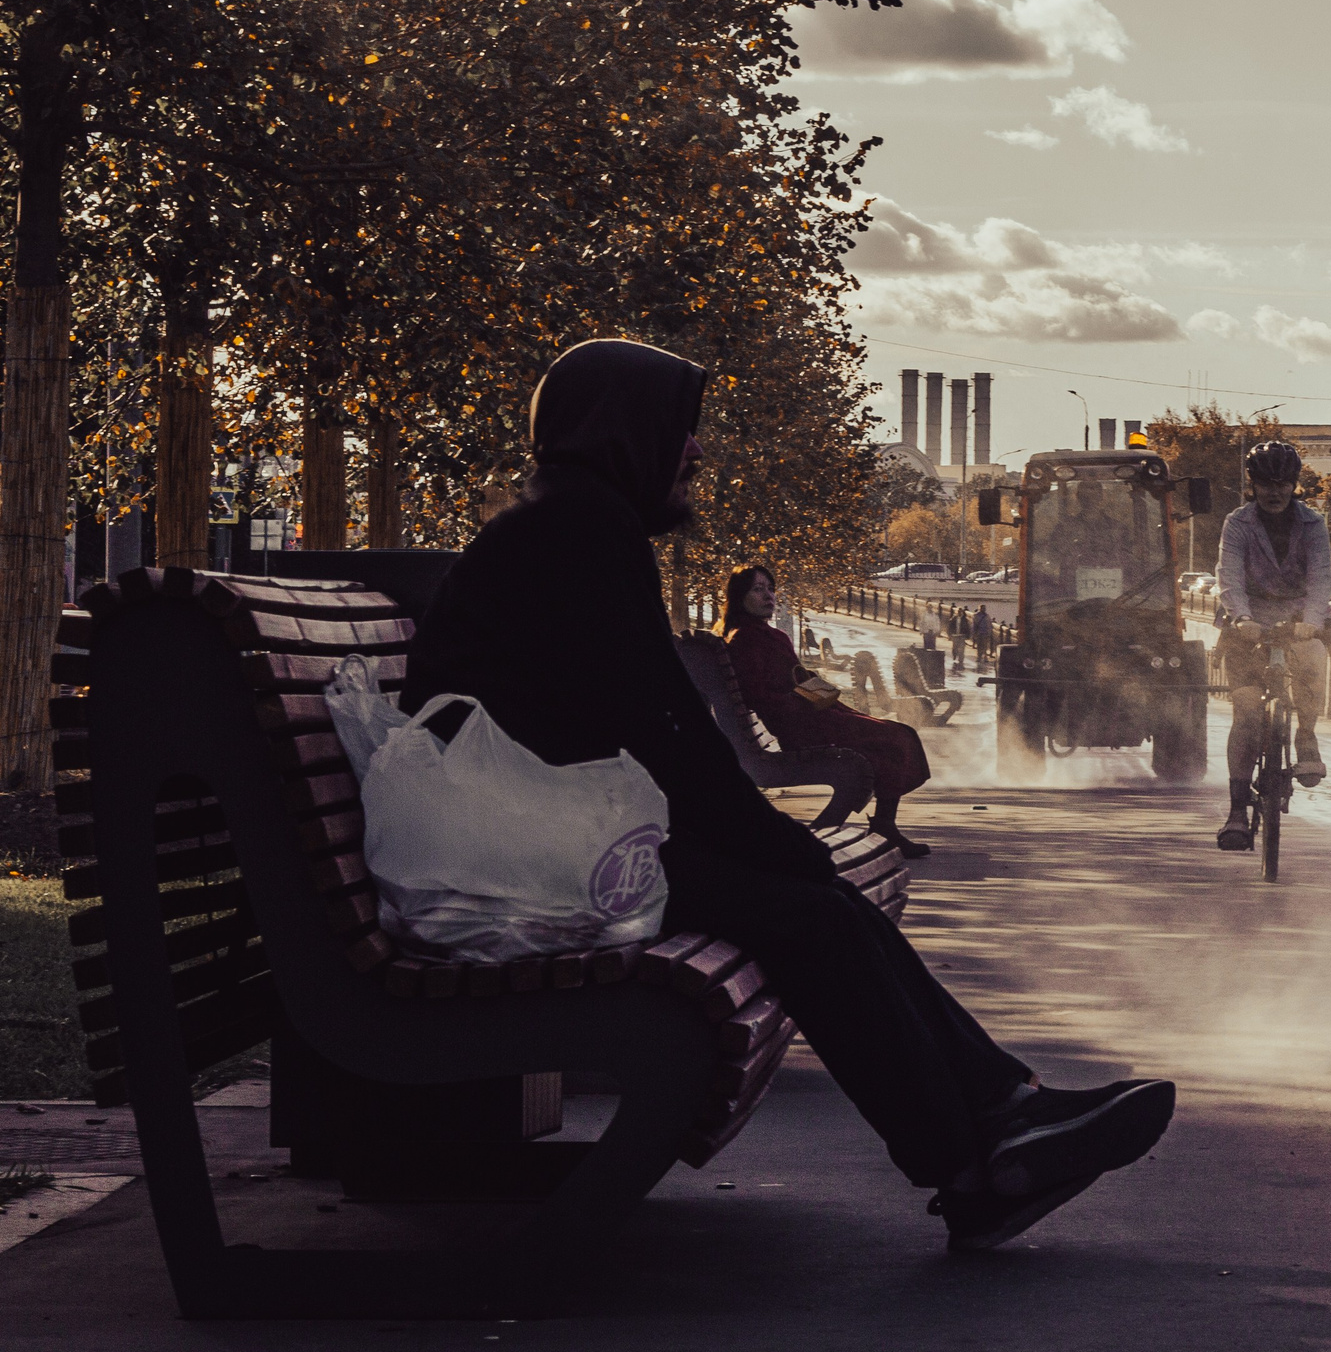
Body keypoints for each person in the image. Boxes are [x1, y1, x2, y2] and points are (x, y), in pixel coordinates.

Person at [403, 338, 1174, 1250]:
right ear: (623, 433)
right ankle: (981, 1151)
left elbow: (647, 731)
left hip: (542, 841)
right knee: (812, 914)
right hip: (525, 866)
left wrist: (775, 845)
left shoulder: (565, 526)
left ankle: (1004, 1113)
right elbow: (667, 733)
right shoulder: (579, 535)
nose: (695, 451)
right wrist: (777, 843)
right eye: (679, 430)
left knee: (821, 904)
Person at [719, 563, 934, 859]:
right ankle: (885, 825)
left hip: (813, 718)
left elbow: (792, 676)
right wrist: (803, 699)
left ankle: (885, 824)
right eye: (758, 589)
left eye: (770, 588)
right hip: (802, 727)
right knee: (896, 737)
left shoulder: (767, 635)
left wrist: (819, 691)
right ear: (740, 596)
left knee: (900, 733)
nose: (768, 595)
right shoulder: (746, 639)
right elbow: (760, 696)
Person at [1214, 439, 1331, 851]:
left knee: (1313, 658)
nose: (1275, 492)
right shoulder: (1237, 523)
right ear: (1253, 485)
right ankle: (1236, 811)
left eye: (1283, 483)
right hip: (1246, 622)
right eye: (1266, 483)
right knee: (1247, 710)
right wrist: (1241, 618)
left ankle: (1306, 735)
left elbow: (1321, 577)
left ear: (1295, 484)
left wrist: (1312, 621)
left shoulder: (1313, 524)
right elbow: (1228, 576)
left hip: (1299, 620)